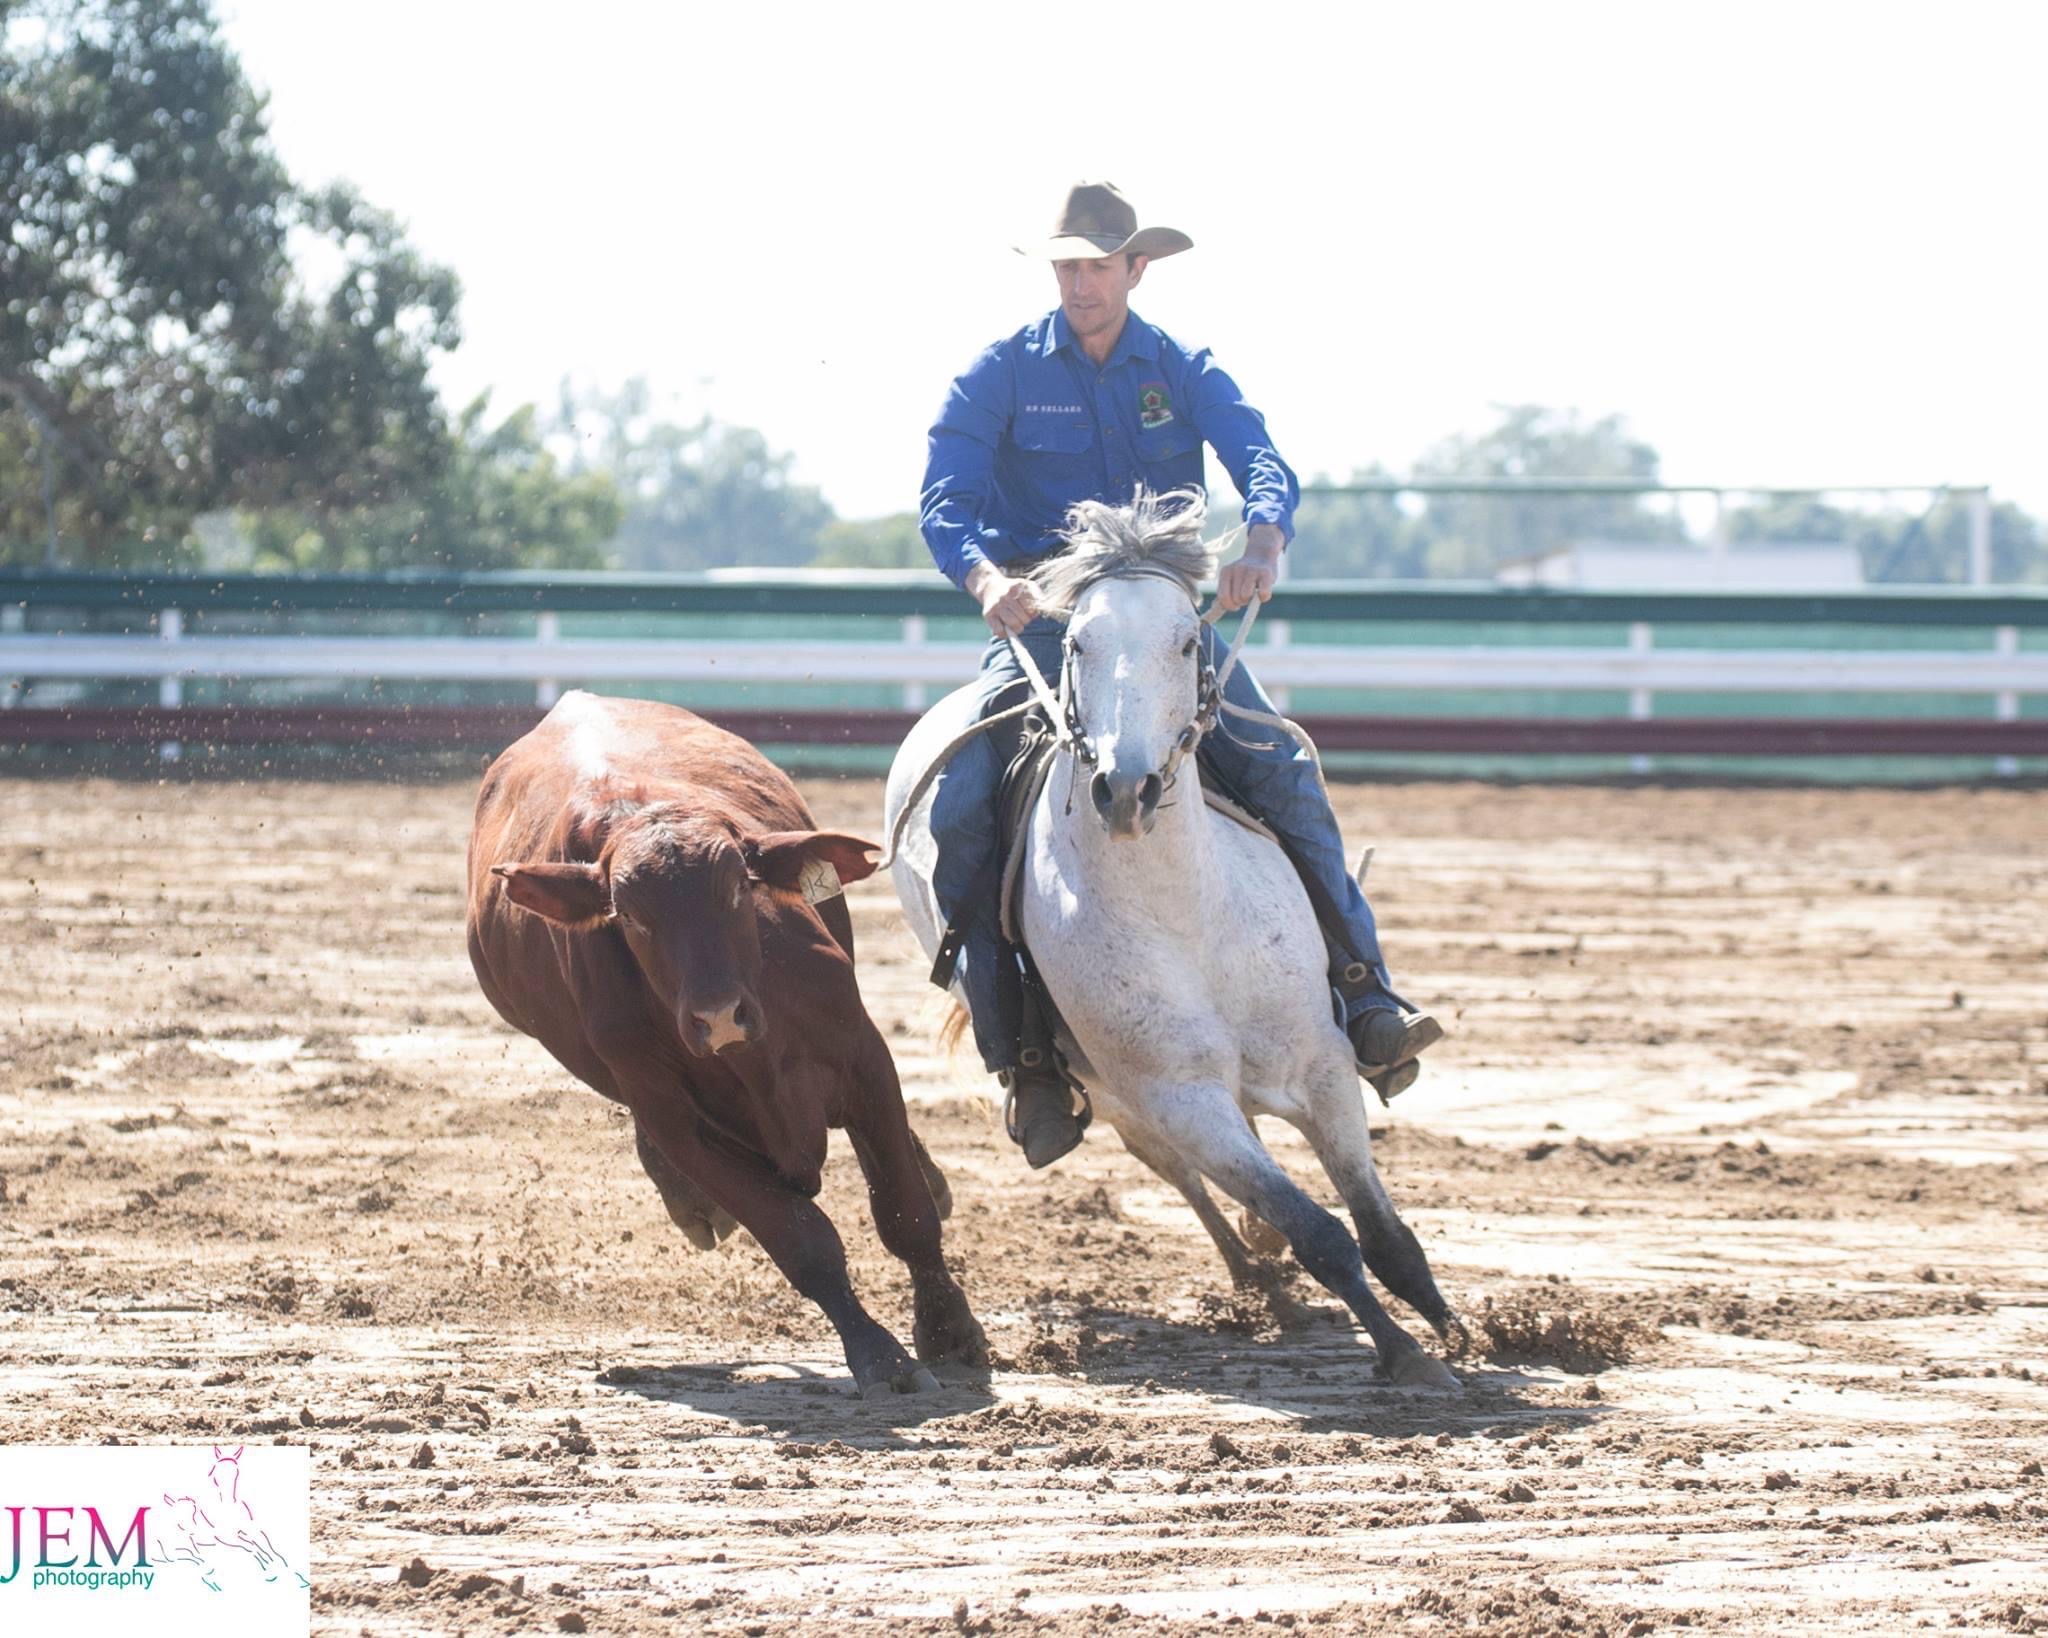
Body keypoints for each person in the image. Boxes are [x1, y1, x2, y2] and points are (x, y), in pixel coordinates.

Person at [917, 180, 1441, 1168]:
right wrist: (984, 578)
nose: (1079, 283)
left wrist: (1264, 537)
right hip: (1046, 618)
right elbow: (945, 495)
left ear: (1136, 268)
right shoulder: (1000, 372)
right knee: (961, 809)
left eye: (1095, 265)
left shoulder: (1181, 368)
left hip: (1162, 621)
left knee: (1281, 767)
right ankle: (1023, 1056)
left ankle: (1364, 993)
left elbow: (1260, 458)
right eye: (1065, 266)